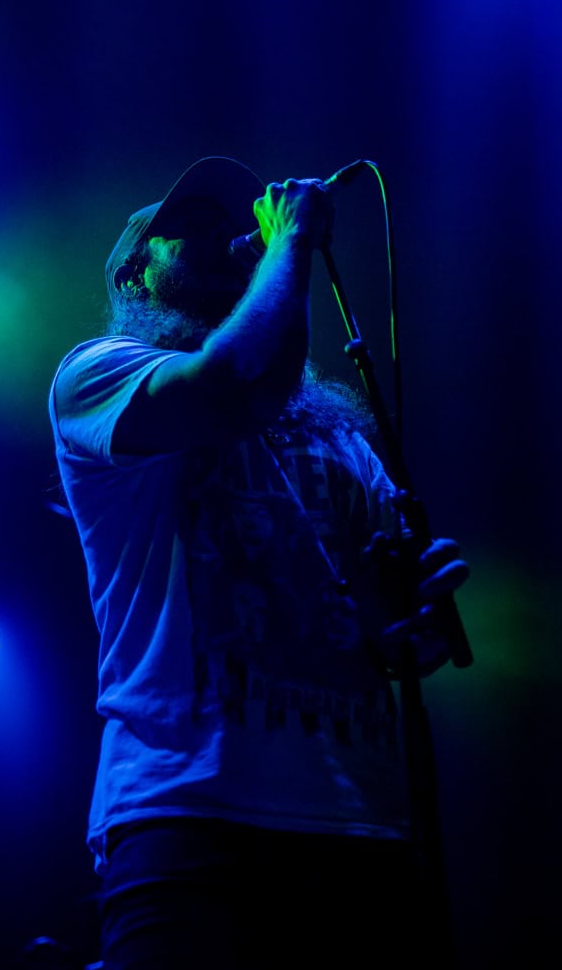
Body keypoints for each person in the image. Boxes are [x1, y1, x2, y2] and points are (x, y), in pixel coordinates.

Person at [48, 156, 471, 970]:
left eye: (227, 223)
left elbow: (385, 630)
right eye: (188, 227)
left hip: (360, 822)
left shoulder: (336, 430)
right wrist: (293, 245)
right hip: (188, 813)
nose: (221, 235)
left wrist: (410, 621)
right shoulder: (97, 375)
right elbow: (236, 384)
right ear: (136, 273)